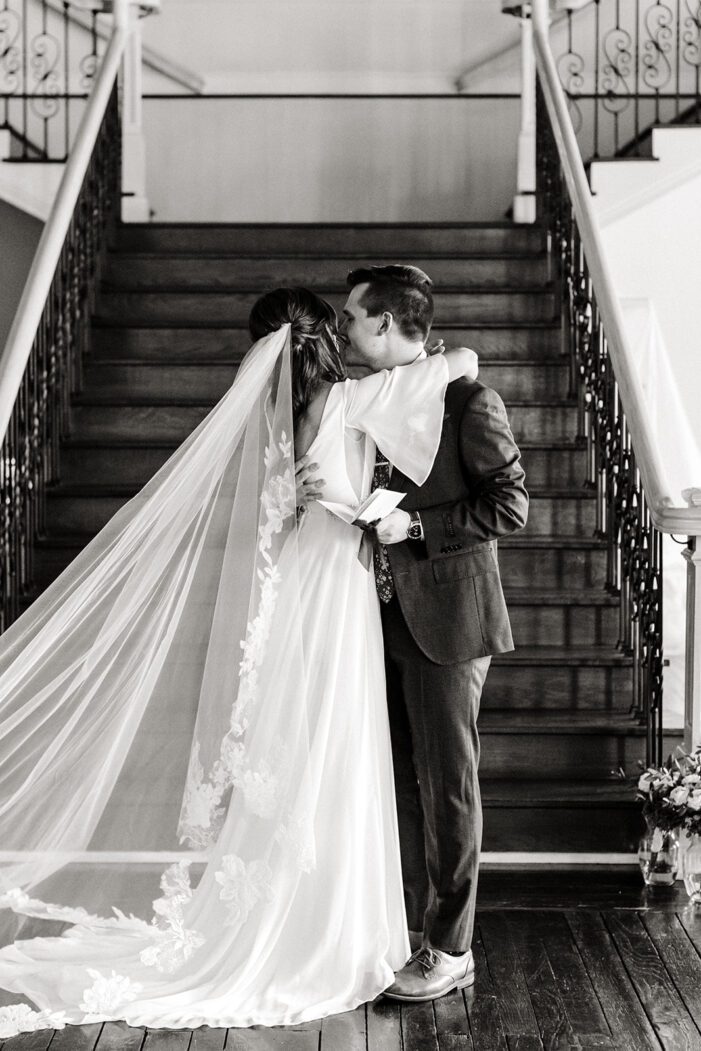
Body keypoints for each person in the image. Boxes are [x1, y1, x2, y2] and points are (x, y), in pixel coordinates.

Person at [0, 287, 478, 1038]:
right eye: (343, 322)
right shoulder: (353, 398)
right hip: (338, 591)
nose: (354, 332)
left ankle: (315, 910)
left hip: (302, 585)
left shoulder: (277, 413)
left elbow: (285, 505)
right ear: (325, 339)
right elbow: (455, 364)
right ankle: (335, 923)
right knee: (336, 746)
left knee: (309, 743)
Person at [338, 265, 528, 1003]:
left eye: (355, 317)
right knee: (396, 783)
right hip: (375, 615)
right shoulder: (365, 400)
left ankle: (451, 948)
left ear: (386, 326)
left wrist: (414, 524)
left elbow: (508, 506)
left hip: (447, 618)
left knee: (446, 784)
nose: (346, 327)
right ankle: (405, 934)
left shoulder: (466, 399)